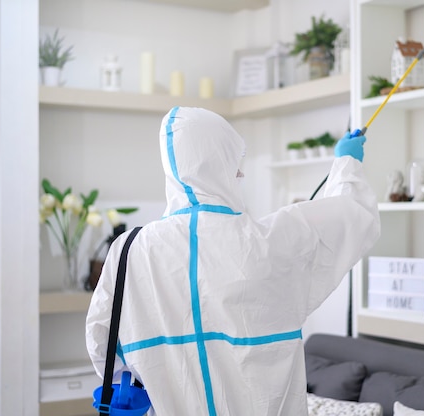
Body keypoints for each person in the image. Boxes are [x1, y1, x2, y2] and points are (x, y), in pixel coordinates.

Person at [85, 106, 380, 415]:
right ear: (219, 165)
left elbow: (101, 343)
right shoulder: (267, 242)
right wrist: (347, 163)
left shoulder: (129, 250)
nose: (240, 173)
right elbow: (351, 217)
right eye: (234, 162)